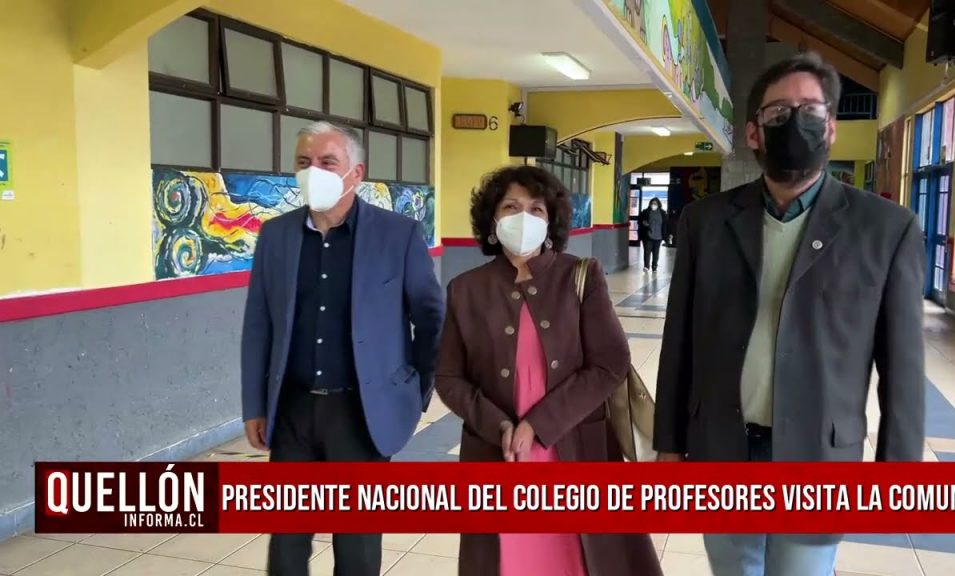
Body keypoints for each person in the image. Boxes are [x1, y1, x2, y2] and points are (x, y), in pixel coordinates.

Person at [653, 52, 925, 576]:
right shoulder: (704, 223)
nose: (795, 122)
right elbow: (678, 342)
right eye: (779, 112)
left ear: (832, 128)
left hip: (819, 456)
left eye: (810, 110)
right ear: (753, 132)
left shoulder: (886, 229)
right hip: (723, 447)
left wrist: (900, 472)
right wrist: (668, 444)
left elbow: (904, 367)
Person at [435, 165, 663, 576]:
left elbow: (610, 363)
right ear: (492, 220)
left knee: (582, 560)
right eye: (511, 207)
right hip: (498, 455)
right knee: (508, 562)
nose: (523, 218)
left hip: (574, 450)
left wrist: (538, 425)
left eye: (536, 209)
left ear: (550, 221)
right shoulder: (465, 289)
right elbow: (449, 378)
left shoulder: (580, 276)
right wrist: (500, 426)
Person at [241, 121, 444, 576]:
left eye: (327, 162)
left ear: (356, 173)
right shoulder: (276, 235)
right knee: (286, 541)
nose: (313, 171)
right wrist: (254, 404)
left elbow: (432, 319)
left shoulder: (399, 235)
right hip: (292, 410)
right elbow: (258, 325)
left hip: (362, 413)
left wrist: (412, 390)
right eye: (303, 162)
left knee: (356, 546)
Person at [638, 198, 668, 271]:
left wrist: (666, 235)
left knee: (656, 253)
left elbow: (665, 224)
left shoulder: (662, 213)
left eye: (655, 203)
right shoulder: (646, 212)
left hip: (658, 236)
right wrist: (643, 223)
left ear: (658, 204)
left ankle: (654, 266)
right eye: (652, 203)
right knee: (647, 251)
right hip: (648, 235)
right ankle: (646, 266)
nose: (653, 205)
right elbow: (640, 221)